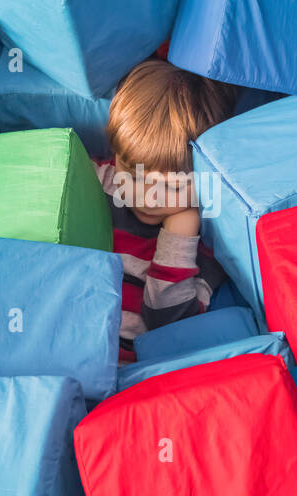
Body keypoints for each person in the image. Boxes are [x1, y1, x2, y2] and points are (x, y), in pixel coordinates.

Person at [95, 58, 235, 362]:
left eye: (172, 188)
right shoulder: (96, 180)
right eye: (133, 175)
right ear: (115, 153)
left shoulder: (203, 248)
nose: (147, 198)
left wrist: (178, 236)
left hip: (123, 367)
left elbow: (169, 325)